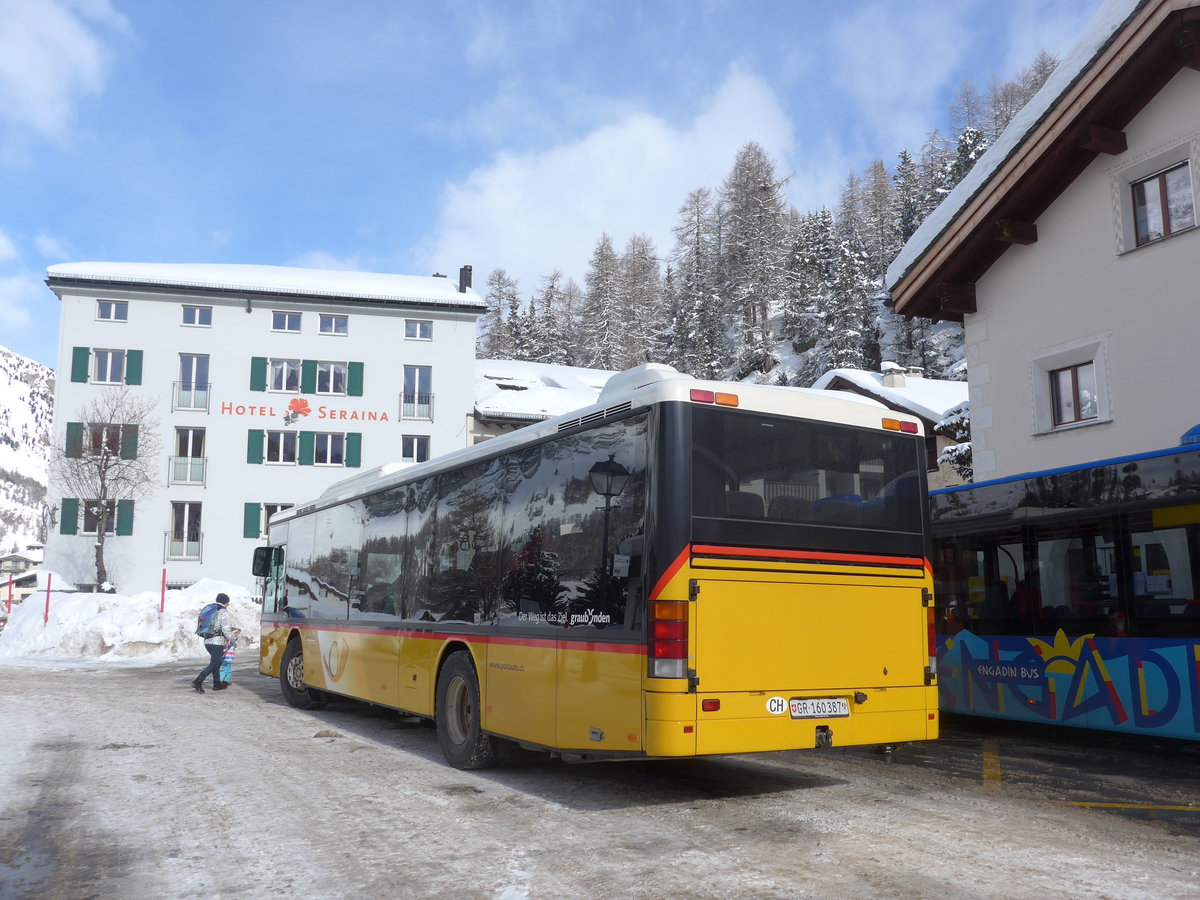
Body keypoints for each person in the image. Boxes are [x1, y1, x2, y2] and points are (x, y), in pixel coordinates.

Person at [192, 593, 236, 694]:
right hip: (218, 642)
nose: (228, 605)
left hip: (207, 641)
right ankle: (198, 681)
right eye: (228, 603)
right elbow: (225, 629)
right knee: (214, 663)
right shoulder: (222, 611)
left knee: (217, 662)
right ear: (225, 602)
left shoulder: (211, 610)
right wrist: (233, 639)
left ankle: (217, 683)